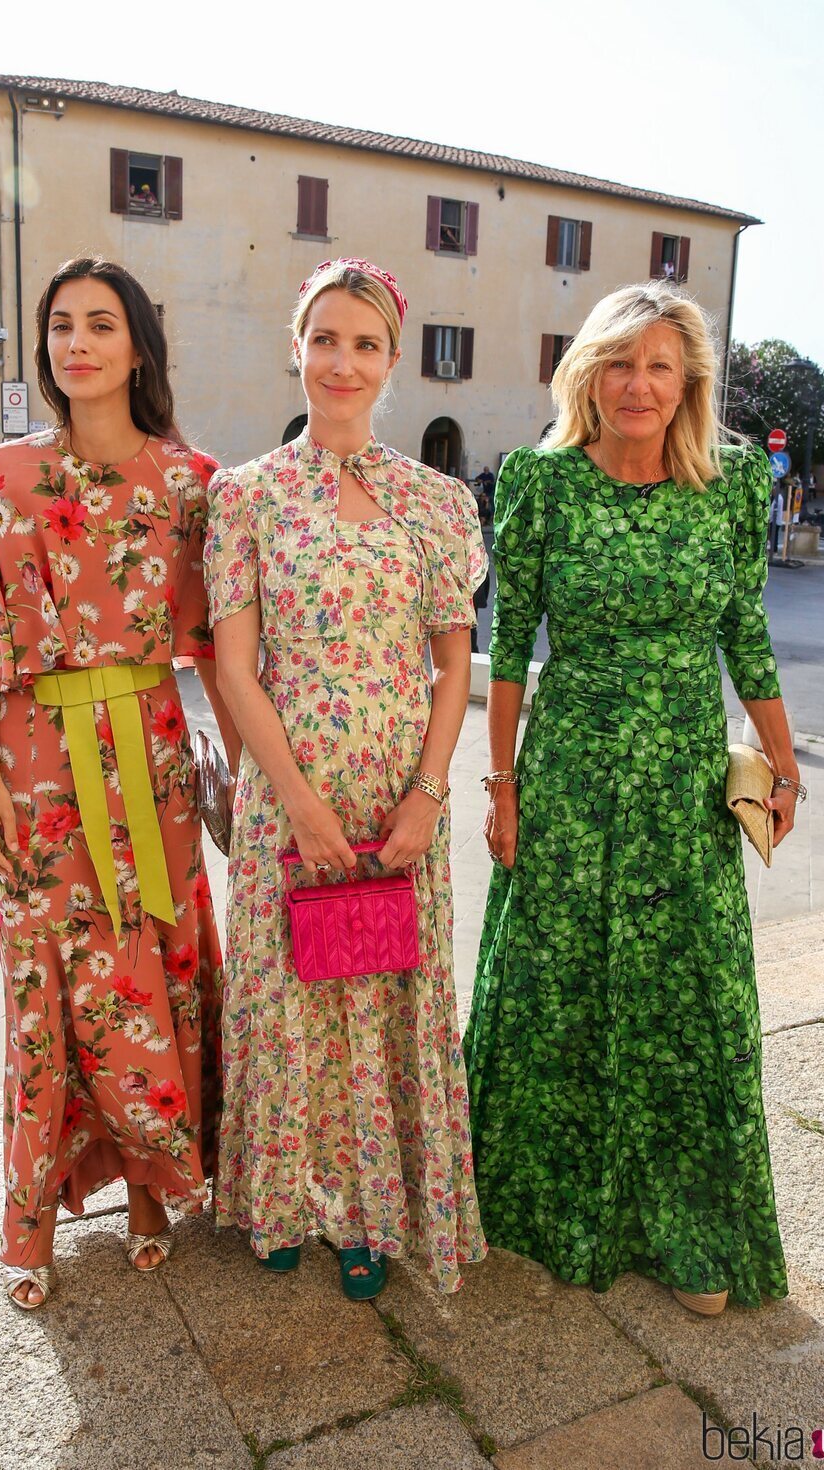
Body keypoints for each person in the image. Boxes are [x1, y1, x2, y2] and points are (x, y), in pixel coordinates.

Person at [465, 282, 800, 1317]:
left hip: (683, 784)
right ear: (588, 375)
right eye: (618, 363)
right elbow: (508, 644)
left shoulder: (730, 484)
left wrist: (781, 767)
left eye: (658, 365)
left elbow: (742, 632)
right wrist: (501, 784)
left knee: (681, 1005)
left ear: (687, 380)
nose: (637, 385)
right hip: (565, 771)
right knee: (553, 986)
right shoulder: (540, 481)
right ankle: (543, 1206)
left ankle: (689, 1233)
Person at [204, 257, 488, 1297]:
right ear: (296, 348)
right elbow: (235, 669)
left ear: (391, 362)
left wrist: (423, 796)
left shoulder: (439, 504)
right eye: (323, 338)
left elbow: (453, 665)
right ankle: (281, 1198)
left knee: (379, 995)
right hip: (290, 794)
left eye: (364, 343)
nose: (341, 360)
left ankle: (370, 1213)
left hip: (399, 797)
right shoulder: (244, 496)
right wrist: (299, 804)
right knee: (287, 1000)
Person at [0, 255, 237, 1311]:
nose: (76, 342)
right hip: (33, 759)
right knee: (42, 982)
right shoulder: (0, 475)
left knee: (150, 966)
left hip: (151, 754)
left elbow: (216, 649)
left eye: (101, 324)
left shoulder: (191, 482)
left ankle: (155, 1189)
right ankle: (28, 1215)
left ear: (138, 348)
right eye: (62, 324)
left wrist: (247, 780)